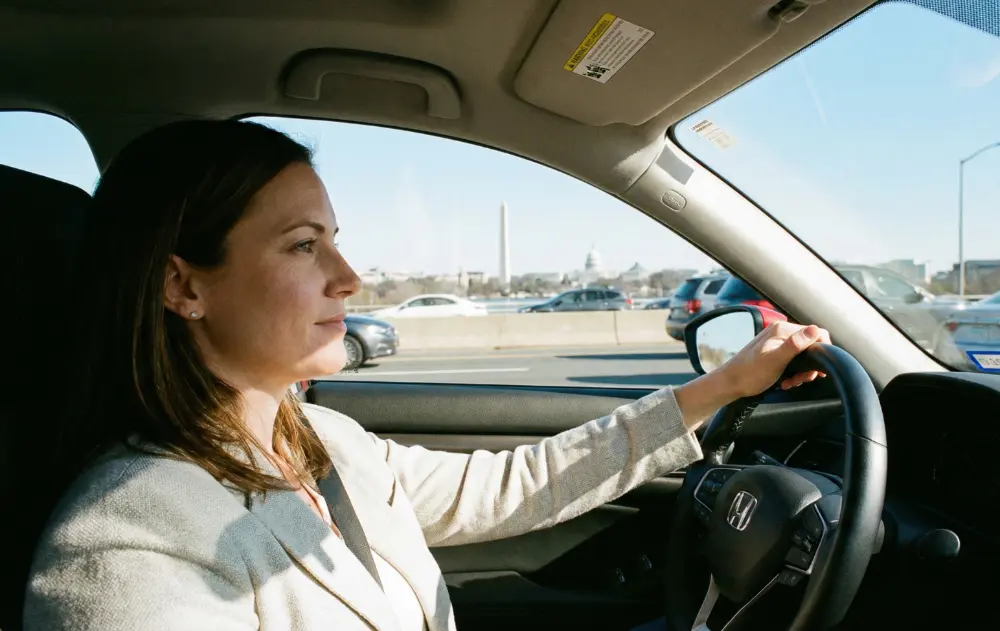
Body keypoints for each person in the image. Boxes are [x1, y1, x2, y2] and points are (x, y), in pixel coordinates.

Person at [23, 120, 829, 631]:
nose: (349, 276)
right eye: (304, 245)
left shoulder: (322, 442)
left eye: (334, 239)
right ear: (184, 286)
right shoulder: (128, 538)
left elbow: (516, 483)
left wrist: (721, 385)